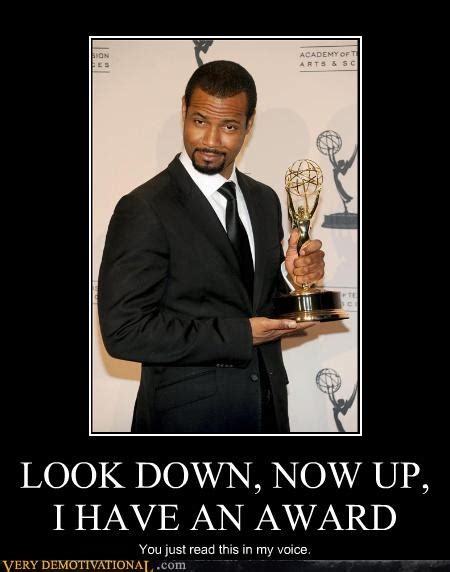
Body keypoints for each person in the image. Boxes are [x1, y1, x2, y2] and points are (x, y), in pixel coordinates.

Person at [98, 60, 325, 434]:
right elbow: (124, 331)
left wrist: (297, 279)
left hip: (266, 414)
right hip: (186, 421)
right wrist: (241, 334)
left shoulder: (263, 199)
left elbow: (261, 308)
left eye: (229, 127)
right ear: (184, 110)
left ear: (249, 126)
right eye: (200, 120)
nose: (210, 140)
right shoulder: (145, 207)